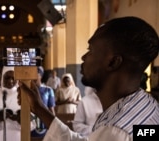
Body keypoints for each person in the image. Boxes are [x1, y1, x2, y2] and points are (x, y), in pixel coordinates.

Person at [19, 16, 159, 141]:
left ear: (113, 62)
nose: (83, 57)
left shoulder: (115, 131)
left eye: (90, 50)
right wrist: (39, 109)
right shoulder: (147, 105)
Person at [0, 66, 35, 141]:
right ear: (2, 78)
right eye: (7, 78)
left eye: (13, 78)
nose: (10, 81)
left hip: (17, 137)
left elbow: (33, 125)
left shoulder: (23, 96)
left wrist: (21, 121)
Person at [31, 66, 56, 137]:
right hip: (30, 123)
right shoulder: (28, 90)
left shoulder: (48, 90)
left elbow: (51, 110)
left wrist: (54, 126)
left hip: (44, 122)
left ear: (40, 76)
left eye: (36, 75)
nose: (33, 77)